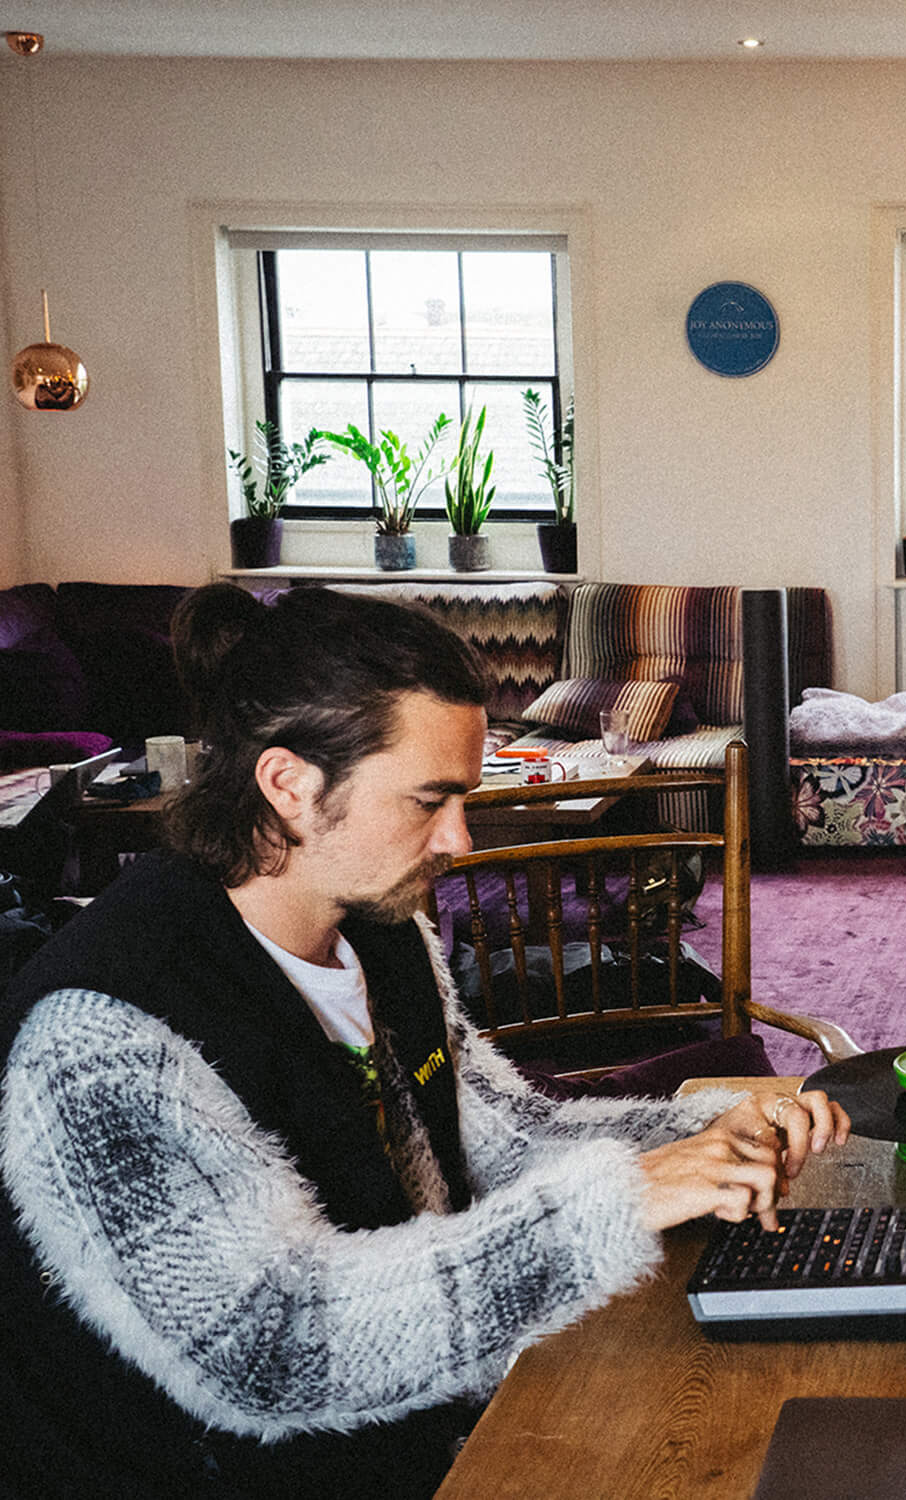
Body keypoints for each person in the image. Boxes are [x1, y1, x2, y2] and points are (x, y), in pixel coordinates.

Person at [0, 585, 851, 1498]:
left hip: (410, 1436)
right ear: (289, 784)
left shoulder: (379, 928)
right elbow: (272, 1348)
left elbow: (501, 1136)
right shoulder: (100, 1034)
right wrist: (619, 1201)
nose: (459, 837)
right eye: (429, 800)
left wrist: (714, 1129)